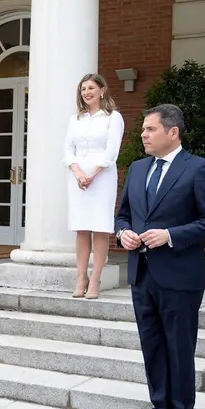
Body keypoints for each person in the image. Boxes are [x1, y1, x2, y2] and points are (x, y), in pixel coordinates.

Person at [115, 104, 205, 409]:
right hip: (142, 273)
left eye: (150, 130)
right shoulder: (136, 169)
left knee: (179, 348)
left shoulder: (198, 169)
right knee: (152, 347)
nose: (143, 136)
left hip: (180, 276)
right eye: (143, 131)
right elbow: (123, 216)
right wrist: (124, 234)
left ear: (172, 132)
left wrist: (170, 235)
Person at [64, 73, 125, 299]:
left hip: (102, 176)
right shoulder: (75, 119)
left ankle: (96, 277)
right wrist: (78, 173)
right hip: (77, 177)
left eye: (90, 88)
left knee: (100, 227)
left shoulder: (112, 117)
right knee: (81, 228)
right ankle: (81, 277)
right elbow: (68, 150)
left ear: (102, 90)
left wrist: (93, 173)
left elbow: (112, 149)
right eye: (83, 89)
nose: (86, 92)